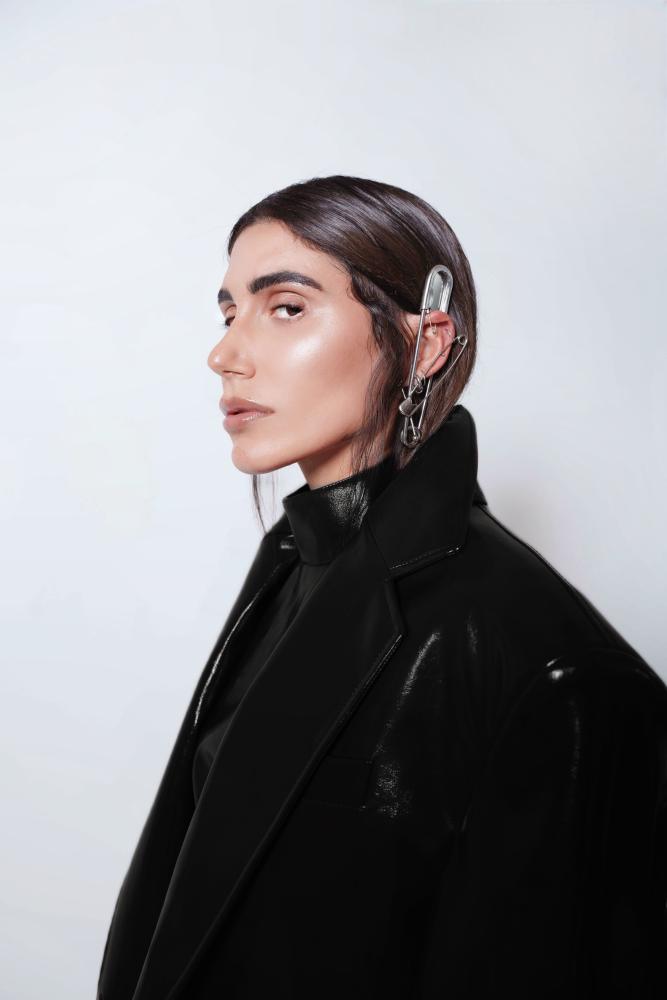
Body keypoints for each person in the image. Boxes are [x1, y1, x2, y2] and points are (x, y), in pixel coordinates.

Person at [97, 175, 667, 1000]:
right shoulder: (290, 567)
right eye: (229, 313)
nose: (225, 354)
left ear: (425, 343)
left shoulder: (548, 668)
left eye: (285, 307)